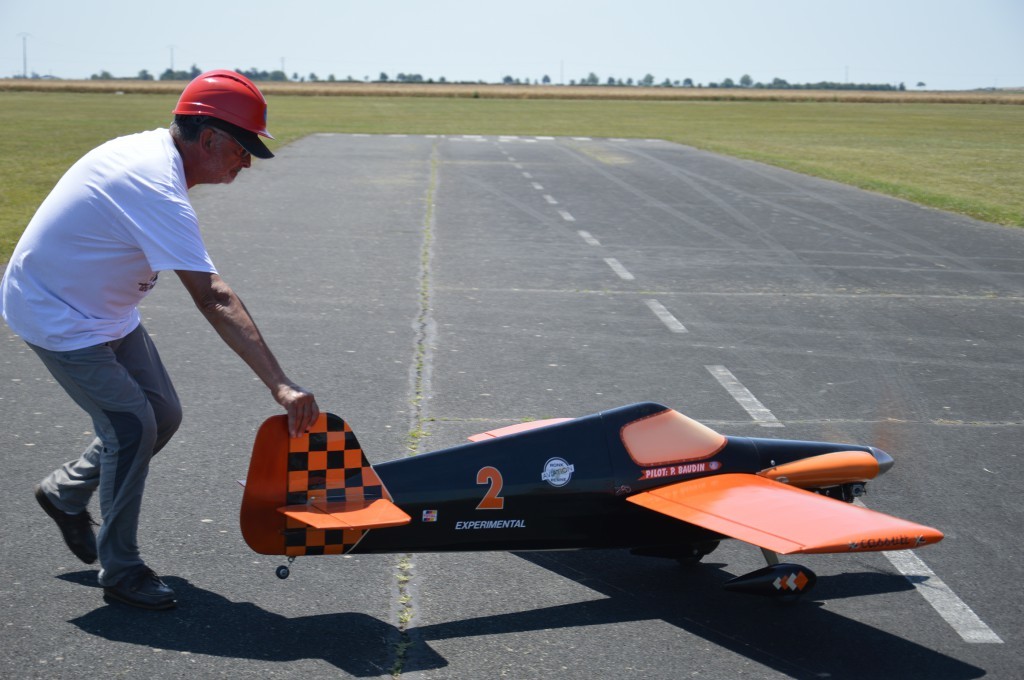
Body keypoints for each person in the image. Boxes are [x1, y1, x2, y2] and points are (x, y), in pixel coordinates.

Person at [0, 70, 319, 610]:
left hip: (105, 310)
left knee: (162, 415)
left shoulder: (161, 162)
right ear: (209, 137)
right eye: (243, 149)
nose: (246, 162)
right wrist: (281, 385)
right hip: (56, 313)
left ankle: (66, 492)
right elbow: (213, 296)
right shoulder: (152, 182)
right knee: (131, 425)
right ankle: (121, 570)